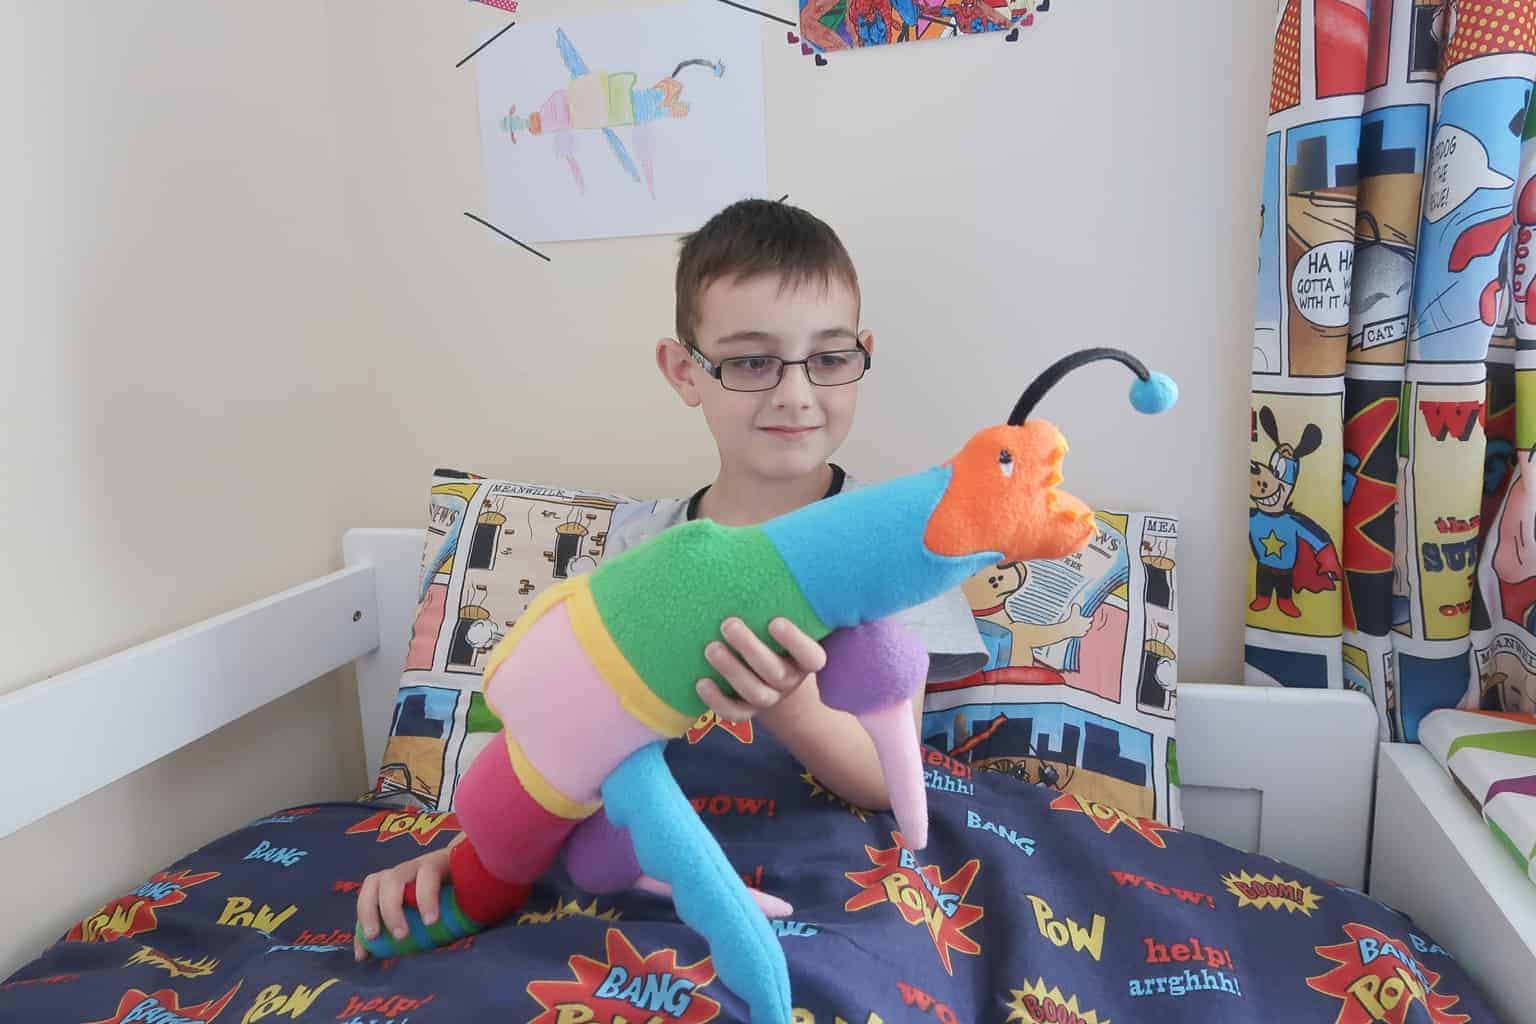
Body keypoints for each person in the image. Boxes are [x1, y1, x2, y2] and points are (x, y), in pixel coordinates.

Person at [355, 198, 984, 959]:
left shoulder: (900, 551)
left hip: (833, 861)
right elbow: (561, 746)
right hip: (647, 858)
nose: (795, 393)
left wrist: (784, 697)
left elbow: (887, 780)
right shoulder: (641, 551)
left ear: (861, 354)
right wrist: (475, 858)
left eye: (828, 357)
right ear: (686, 371)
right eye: (752, 361)